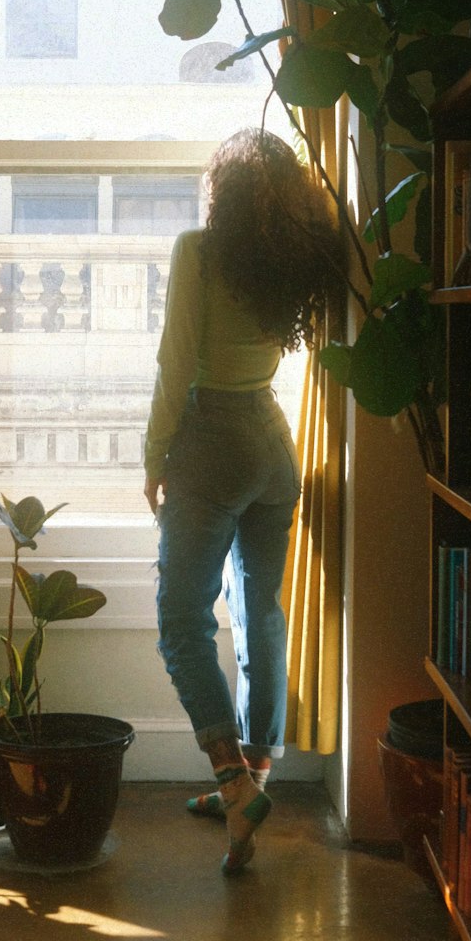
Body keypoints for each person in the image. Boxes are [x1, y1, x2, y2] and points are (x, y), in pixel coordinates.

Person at [144, 127, 345, 875]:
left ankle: (232, 784)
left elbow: (175, 364)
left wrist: (152, 456)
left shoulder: (198, 250)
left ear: (221, 194)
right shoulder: (292, 258)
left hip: (212, 442)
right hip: (272, 441)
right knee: (259, 608)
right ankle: (252, 787)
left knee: (181, 620)